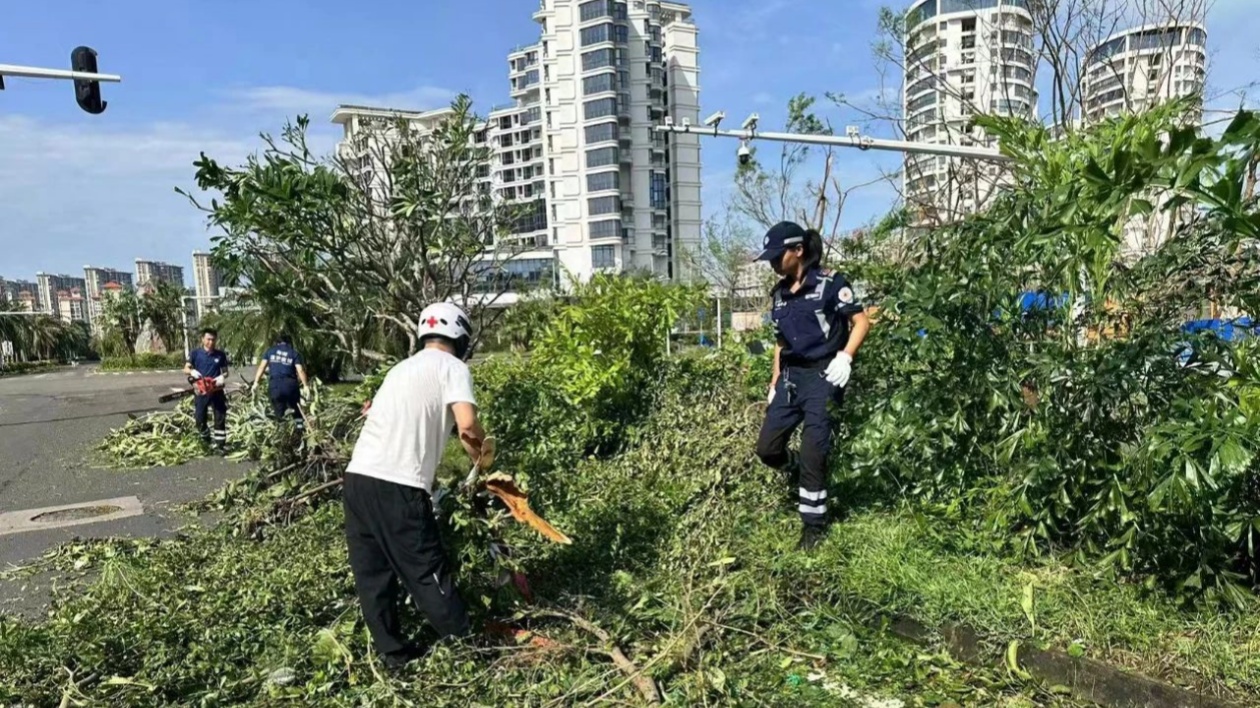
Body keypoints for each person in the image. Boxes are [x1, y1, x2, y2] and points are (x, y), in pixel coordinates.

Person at [342, 302, 486, 669]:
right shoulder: (453, 367)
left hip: (358, 478)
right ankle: (470, 651)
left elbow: (402, 428)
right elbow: (467, 425)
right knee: (427, 571)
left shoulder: (400, 369)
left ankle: (394, 657)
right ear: (461, 335)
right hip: (397, 487)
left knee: (373, 575)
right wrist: (483, 460)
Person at [754, 221, 871, 552]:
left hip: (824, 375)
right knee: (767, 449)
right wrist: (775, 380)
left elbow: (860, 321)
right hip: (791, 379)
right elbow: (780, 342)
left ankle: (813, 527)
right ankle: (795, 472)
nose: (774, 264)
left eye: (778, 257)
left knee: (813, 451)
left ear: (798, 251)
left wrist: (846, 357)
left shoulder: (831, 284)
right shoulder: (779, 295)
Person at [184, 328, 230, 455]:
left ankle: (220, 445)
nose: (211, 342)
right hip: (201, 390)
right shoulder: (195, 353)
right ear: (203, 339)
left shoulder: (220, 355)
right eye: (208, 339)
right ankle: (205, 439)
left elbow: (225, 371)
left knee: (220, 417)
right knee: (199, 418)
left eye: (213, 339)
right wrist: (192, 371)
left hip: (216, 389)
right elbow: (186, 368)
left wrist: (221, 377)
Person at [251, 333, 309, 432]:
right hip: (290, 386)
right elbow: (300, 370)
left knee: (279, 412)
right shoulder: (294, 353)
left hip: (275, 386)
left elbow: (262, 367)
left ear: (277, 343)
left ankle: (282, 434)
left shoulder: (270, 351)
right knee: (296, 411)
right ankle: (300, 433)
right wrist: (305, 385)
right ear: (289, 342)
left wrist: (256, 382)